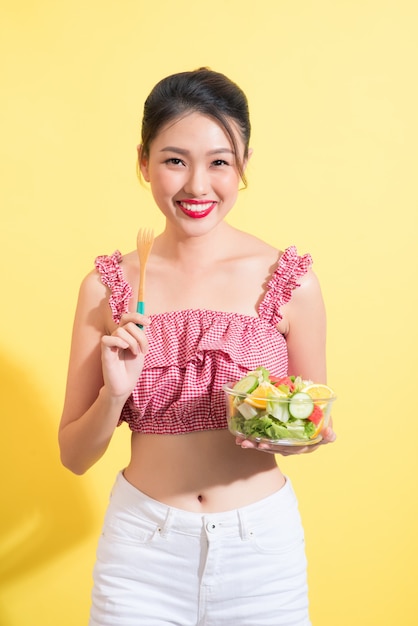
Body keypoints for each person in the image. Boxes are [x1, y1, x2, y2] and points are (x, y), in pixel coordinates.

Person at [59, 67, 336, 626]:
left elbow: (313, 420)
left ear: (244, 166)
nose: (197, 187)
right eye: (174, 160)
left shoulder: (288, 280)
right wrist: (114, 397)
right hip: (141, 552)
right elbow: (73, 456)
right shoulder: (108, 287)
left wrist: (299, 435)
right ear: (144, 161)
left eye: (219, 162)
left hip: (261, 554)